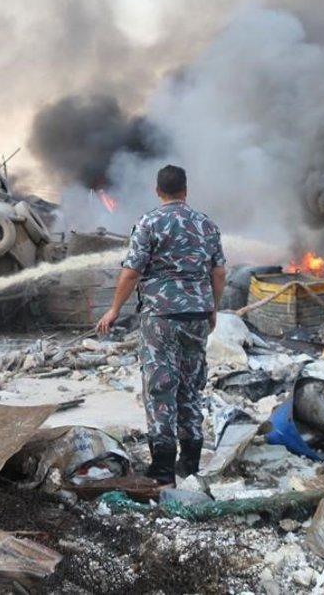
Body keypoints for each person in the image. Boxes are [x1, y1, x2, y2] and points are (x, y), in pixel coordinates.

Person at [96, 165, 226, 484]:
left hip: (161, 317)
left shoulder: (149, 222)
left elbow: (131, 272)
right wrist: (212, 308)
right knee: (190, 384)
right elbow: (219, 272)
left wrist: (114, 310)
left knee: (160, 387)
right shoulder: (206, 224)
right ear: (185, 190)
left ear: (158, 191)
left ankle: (164, 468)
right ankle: (191, 464)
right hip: (197, 316)